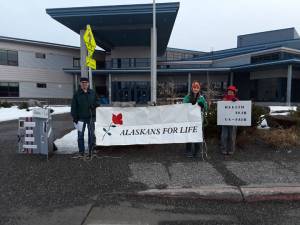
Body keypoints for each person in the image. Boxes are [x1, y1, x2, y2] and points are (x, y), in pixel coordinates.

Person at [71, 77, 98, 158]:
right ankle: (81, 152)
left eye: (86, 83)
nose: (84, 84)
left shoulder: (92, 93)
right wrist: (75, 117)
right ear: (80, 84)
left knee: (91, 135)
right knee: (80, 135)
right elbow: (73, 107)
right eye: (83, 83)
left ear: (88, 84)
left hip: (90, 117)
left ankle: (91, 150)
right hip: (80, 118)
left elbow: (98, 101)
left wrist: (94, 105)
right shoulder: (77, 94)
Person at [183, 81, 208, 158]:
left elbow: (206, 108)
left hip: (198, 120)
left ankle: (197, 151)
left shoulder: (201, 98)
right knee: (189, 134)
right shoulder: (187, 97)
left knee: (197, 135)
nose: (195, 89)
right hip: (189, 119)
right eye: (194, 87)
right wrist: (189, 103)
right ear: (192, 88)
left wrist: (202, 105)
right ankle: (188, 151)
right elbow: (183, 106)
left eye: (197, 88)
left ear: (199, 89)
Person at [220, 85, 238, 155]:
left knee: (232, 137)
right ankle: (223, 149)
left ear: (234, 93)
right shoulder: (224, 99)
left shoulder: (236, 100)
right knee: (224, 136)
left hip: (233, 121)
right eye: (229, 91)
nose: (230, 93)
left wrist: (235, 101)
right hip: (224, 121)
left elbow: (241, 106)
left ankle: (231, 150)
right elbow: (221, 107)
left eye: (231, 92)